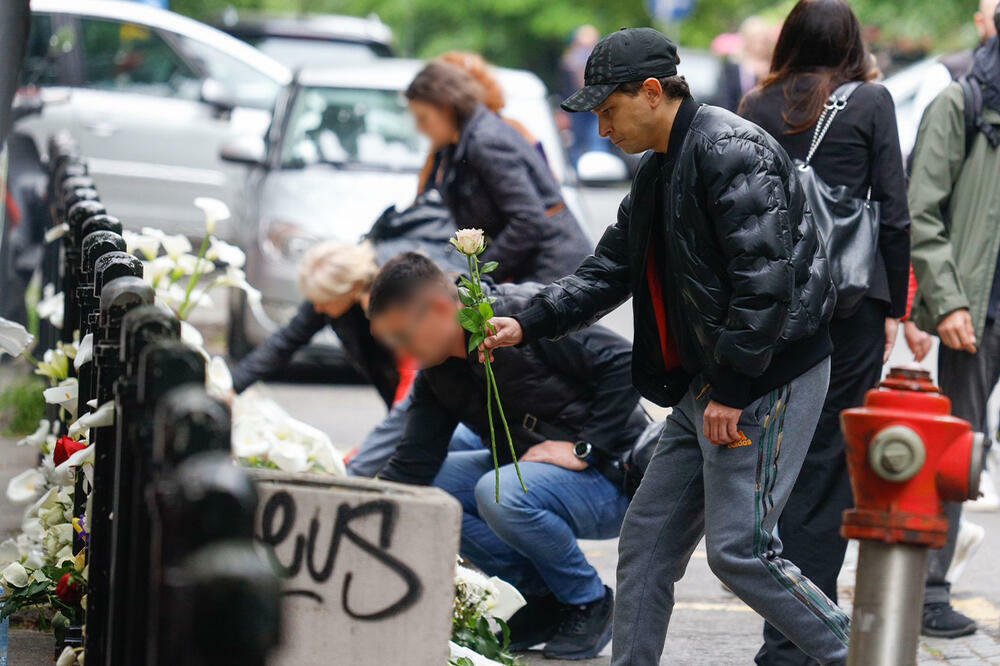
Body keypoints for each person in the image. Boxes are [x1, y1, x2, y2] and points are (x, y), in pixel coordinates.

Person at [483, 27, 846, 666]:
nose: (601, 129)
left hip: (763, 376)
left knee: (740, 551)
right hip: (709, 380)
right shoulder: (660, 165)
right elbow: (609, 270)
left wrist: (733, 389)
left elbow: (765, 285)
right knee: (646, 540)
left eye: (607, 110)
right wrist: (527, 322)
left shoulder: (728, 148)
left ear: (652, 92)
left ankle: (863, 653)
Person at [737, 2, 912, 663]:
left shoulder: (755, 105)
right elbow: (893, 211)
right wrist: (894, 304)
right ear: (851, 41)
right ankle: (797, 641)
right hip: (851, 309)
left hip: (774, 307)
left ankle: (780, 630)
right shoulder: (870, 101)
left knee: (772, 461)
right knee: (828, 465)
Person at [370, 252, 647, 660]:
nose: (400, 353)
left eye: (402, 337)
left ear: (442, 310)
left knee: (497, 492)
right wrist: (353, 508)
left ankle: (588, 600)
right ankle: (544, 599)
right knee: (438, 488)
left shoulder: (523, 317)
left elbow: (625, 363)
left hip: (614, 477)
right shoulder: (438, 372)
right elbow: (414, 465)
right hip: (536, 480)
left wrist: (585, 446)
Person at [229, 197, 479, 476]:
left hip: (440, 391)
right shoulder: (332, 295)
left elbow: (408, 394)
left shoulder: (400, 299)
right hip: (406, 396)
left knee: (427, 449)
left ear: (349, 291)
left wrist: (353, 469)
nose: (318, 308)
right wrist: (232, 386)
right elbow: (286, 341)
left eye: (322, 302)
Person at [907, 4, 1000, 639]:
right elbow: (924, 211)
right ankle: (929, 592)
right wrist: (950, 301)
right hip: (980, 309)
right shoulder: (962, 102)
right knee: (959, 448)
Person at [406, 61, 592, 284]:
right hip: (533, 269)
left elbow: (528, 220)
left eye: (423, 118)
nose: (419, 129)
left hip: (552, 272)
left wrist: (477, 279)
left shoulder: (485, 141)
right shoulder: (461, 143)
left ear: (446, 108)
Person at [711, 16, 779, 113]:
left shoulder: (776, 68)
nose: (759, 44)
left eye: (763, 39)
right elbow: (724, 101)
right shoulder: (732, 69)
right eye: (755, 38)